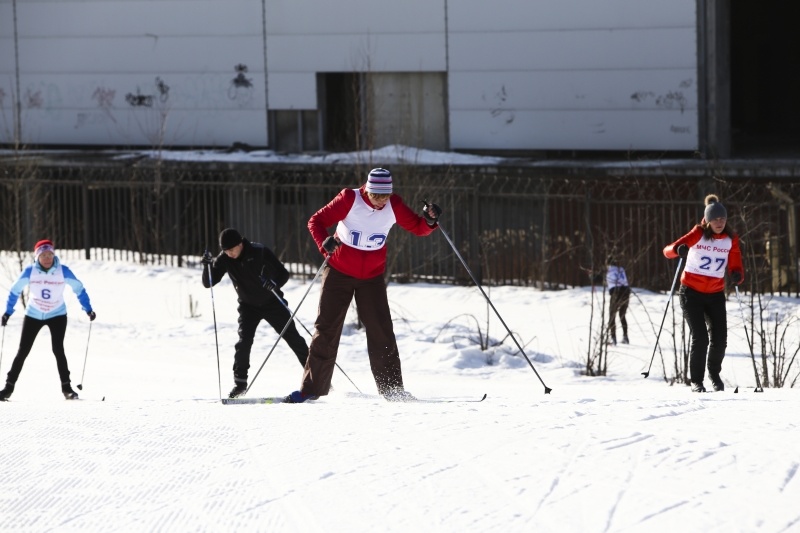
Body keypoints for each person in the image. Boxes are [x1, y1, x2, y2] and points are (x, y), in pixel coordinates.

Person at [285, 168, 442, 403]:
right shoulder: (349, 198)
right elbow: (316, 221)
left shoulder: (394, 204)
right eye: (375, 195)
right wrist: (324, 243)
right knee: (326, 329)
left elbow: (419, 228)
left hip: (372, 277)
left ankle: (392, 390)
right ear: (366, 190)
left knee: (381, 331)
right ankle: (311, 389)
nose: (380, 201)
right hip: (338, 272)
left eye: (384, 196)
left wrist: (430, 220)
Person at [201, 228, 309, 399]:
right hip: (248, 306)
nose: (229, 253)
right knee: (244, 342)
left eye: (231, 249)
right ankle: (240, 385)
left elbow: (283, 274)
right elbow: (209, 283)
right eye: (225, 250)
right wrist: (207, 266)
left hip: (272, 302)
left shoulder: (259, 251)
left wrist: (273, 282)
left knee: (294, 338)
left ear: (240, 244)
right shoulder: (224, 258)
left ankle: (316, 378)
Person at [663, 194, 744, 392]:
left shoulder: (730, 239)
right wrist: (678, 249)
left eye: (723, 219)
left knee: (720, 339)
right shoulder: (698, 233)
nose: (719, 222)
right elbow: (668, 251)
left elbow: (737, 267)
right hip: (691, 293)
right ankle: (696, 382)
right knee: (700, 337)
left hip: (715, 295)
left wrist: (736, 276)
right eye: (715, 219)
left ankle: (714, 374)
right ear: (708, 220)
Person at [0, 240, 96, 401]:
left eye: (50, 254)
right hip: (33, 314)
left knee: (58, 350)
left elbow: (79, 288)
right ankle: (8, 388)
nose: (47, 258)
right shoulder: (30, 271)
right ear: (37, 257)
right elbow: (15, 290)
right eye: (43, 255)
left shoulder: (62, 271)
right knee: (23, 351)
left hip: (57, 314)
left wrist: (88, 309)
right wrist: (8, 312)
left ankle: (67, 388)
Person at [606, 258, 630, 345]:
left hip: (616, 293)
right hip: (626, 292)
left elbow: (599, 277)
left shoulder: (610, 270)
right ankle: (625, 337)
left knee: (612, 316)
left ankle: (613, 338)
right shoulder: (621, 269)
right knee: (622, 315)